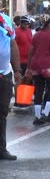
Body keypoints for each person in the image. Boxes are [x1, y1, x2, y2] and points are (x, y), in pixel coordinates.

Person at [0, 12, 20, 160]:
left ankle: (1, 149)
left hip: (5, 74)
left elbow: (13, 45)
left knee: (2, 113)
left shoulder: (6, 20)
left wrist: (17, 70)